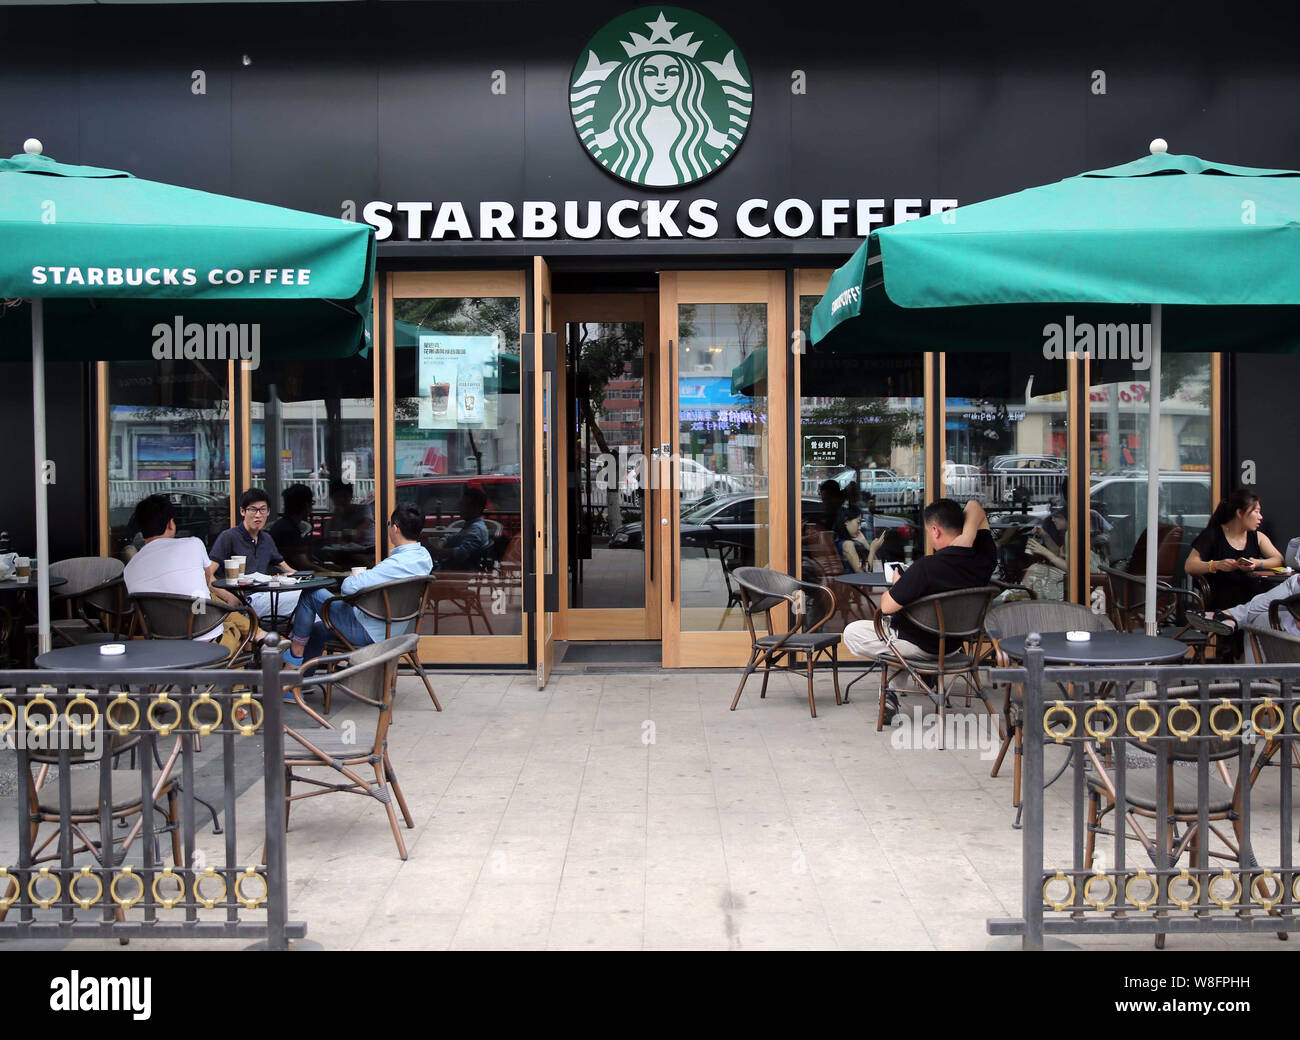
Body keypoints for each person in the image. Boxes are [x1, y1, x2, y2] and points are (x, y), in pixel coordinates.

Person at [843, 498, 995, 721]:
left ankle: (893, 693)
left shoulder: (926, 567)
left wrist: (898, 584)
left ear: (935, 530)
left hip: (918, 647)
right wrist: (967, 537)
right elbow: (975, 506)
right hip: (953, 646)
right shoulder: (984, 559)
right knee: (897, 641)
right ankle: (906, 685)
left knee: (855, 633)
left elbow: (886, 606)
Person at [283, 502, 433, 668]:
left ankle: (292, 663)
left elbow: (348, 589)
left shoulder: (395, 564)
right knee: (319, 629)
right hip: (397, 630)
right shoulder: (424, 557)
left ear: (395, 529)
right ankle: (301, 681)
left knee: (310, 594)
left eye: (389, 524)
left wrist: (355, 576)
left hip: (372, 631)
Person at [123, 494, 249, 654]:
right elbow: (208, 582)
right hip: (209, 644)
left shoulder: (129, 569)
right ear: (170, 524)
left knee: (206, 602)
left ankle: (258, 634)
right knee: (238, 635)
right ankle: (259, 639)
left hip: (163, 648)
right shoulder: (193, 544)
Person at [1185, 488, 1283, 610]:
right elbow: (1190, 566)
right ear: (1240, 513)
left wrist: (1257, 563)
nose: (1260, 517)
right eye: (1256, 512)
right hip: (1222, 600)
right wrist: (1216, 565)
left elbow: (1278, 559)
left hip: (1253, 600)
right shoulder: (1213, 535)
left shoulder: (1257, 537)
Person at [209, 488, 298, 623]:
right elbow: (207, 574)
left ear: (268, 512)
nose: (258, 515)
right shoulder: (229, 537)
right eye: (253, 509)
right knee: (308, 602)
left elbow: (288, 570)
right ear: (242, 511)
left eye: (262, 509)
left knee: (311, 603)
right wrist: (228, 597)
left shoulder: (266, 539)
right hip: (246, 602)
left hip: (267, 597)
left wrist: (308, 579)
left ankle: (296, 641)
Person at [434, 487, 492, 570]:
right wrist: (442, 542)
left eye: (466, 505)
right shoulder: (470, 525)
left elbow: (462, 553)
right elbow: (452, 538)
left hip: (460, 574)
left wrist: (438, 552)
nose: (461, 508)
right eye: (461, 504)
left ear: (478, 508)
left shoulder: (476, 529)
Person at [269, 483, 316, 573]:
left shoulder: (284, 524)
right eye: (311, 503)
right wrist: (332, 573)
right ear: (306, 505)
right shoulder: (289, 529)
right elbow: (303, 564)